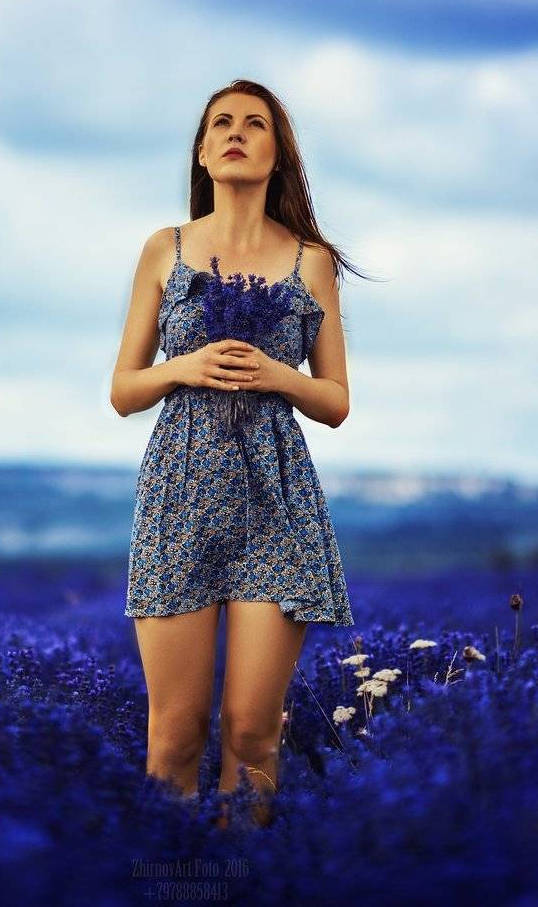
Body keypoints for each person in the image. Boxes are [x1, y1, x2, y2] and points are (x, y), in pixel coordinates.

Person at [109, 79, 367, 829]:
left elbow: (337, 400)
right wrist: (182, 367)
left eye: (255, 124)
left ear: (277, 152)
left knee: (253, 733)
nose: (236, 133)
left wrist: (280, 376)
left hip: (274, 502)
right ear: (202, 150)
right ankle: (176, 881)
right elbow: (123, 389)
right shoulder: (167, 248)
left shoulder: (310, 260)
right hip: (178, 496)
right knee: (174, 735)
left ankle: (244, 883)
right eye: (220, 123)